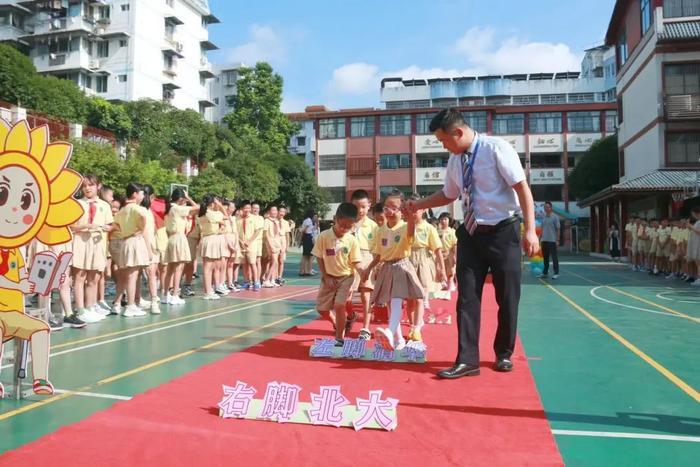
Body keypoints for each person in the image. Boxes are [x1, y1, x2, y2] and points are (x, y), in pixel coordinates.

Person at [405, 108, 538, 378]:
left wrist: (531, 230)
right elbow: (448, 194)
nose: (444, 146)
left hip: (504, 231)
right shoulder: (455, 161)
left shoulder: (496, 149)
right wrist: (419, 204)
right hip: (470, 234)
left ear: (458, 132)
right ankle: (467, 360)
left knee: (508, 298)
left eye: (444, 140)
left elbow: (521, 187)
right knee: (466, 298)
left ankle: (503, 353)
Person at [362, 190, 422, 351]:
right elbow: (378, 254)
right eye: (387, 207)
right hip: (387, 268)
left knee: (396, 300)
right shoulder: (381, 230)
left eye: (394, 208)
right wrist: (368, 269)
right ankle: (399, 339)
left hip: (401, 266)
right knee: (390, 304)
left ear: (402, 210)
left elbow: (410, 233)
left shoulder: (405, 226)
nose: (389, 211)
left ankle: (389, 331)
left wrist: (410, 219)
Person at [312, 203, 362, 346]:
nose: (344, 229)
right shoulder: (324, 236)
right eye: (342, 224)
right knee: (322, 310)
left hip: (346, 277)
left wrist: (363, 271)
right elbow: (319, 256)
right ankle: (336, 322)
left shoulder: (352, 240)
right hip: (329, 278)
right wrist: (326, 276)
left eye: (349, 226)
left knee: (340, 305)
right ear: (335, 219)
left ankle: (339, 338)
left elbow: (356, 261)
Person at [71, 174, 113, 323]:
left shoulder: (104, 205)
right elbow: (71, 226)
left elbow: (111, 224)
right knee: (79, 276)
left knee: (93, 278)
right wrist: (86, 226)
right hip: (81, 242)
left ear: (98, 186)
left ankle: (90, 307)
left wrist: (108, 228)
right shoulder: (77, 204)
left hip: (98, 243)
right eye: (84, 185)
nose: (87, 188)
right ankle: (80, 309)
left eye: (91, 185)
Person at [406, 194, 445, 342]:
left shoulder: (429, 228)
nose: (414, 211)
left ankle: (416, 328)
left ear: (423, 210)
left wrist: (441, 268)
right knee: (409, 299)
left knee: (420, 297)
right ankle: (412, 324)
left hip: (423, 260)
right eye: (411, 208)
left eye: (417, 208)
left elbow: (437, 250)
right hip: (408, 260)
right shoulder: (405, 226)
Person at [350, 190, 378, 340]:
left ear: (369, 206)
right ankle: (351, 315)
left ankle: (365, 328)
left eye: (363, 206)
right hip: (350, 261)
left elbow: (377, 249)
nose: (360, 210)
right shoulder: (347, 222)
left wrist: (374, 266)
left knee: (366, 296)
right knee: (346, 296)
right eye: (356, 206)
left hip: (368, 259)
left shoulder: (373, 226)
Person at [163, 189, 199, 305]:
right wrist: (188, 198)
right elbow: (198, 208)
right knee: (179, 268)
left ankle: (165, 294)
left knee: (170, 269)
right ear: (180, 199)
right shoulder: (177, 208)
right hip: (179, 238)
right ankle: (175, 295)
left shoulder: (169, 208)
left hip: (171, 238)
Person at [236, 200, 262, 290]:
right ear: (241, 209)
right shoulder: (238, 219)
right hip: (241, 245)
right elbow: (236, 232)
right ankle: (247, 282)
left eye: (249, 208)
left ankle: (256, 282)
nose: (247, 209)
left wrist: (249, 241)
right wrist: (240, 241)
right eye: (245, 208)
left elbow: (257, 231)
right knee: (244, 264)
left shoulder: (254, 218)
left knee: (252, 263)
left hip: (251, 244)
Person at [538, 201, 560, 279]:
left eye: (547, 207)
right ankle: (545, 272)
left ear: (551, 208)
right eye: (545, 207)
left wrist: (557, 240)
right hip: (544, 240)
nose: (545, 208)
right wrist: (539, 239)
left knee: (554, 257)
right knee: (545, 258)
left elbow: (558, 229)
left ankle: (556, 273)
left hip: (552, 240)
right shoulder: (543, 217)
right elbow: (542, 229)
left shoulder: (555, 217)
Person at [299, 210, 316, 276]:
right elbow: (304, 230)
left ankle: (304, 270)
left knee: (306, 255)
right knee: (307, 255)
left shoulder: (306, 220)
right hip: (308, 237)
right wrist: (300, 230)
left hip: (307, 237)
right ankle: (306, 270)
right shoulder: (308, 220)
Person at [687, 207, 700, 286]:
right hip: (696, 244)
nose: (692, 216)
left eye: (693, 214)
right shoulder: (697, 222)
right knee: (697, 262)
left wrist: (691, 226)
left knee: (699, 263)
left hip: (698, 244)